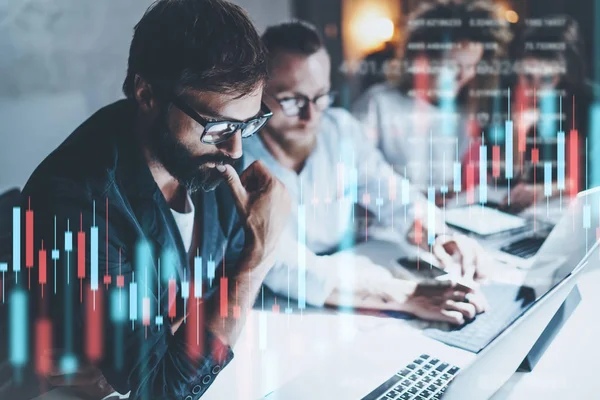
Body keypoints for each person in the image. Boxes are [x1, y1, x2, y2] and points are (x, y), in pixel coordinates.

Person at [0, 1, 290, 399]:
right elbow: (159, 389)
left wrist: (171, 337)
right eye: (220, 126)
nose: (237, 149)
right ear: (147, 93)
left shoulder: (207, 160)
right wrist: (257, 262)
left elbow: (210, 315)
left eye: (249, 123)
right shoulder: (78, 203)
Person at [243, 21, 490, 326]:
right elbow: (281, 264)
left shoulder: (340, 128)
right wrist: (405, 295)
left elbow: (392, 194)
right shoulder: (237, 156)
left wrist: (436, 235)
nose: (311, 115)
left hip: (350, 291)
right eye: (292, 100)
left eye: (320, 96)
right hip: (277, 309)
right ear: (257, 92)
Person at [352, 0, 511, 200]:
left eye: (471, 66)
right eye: (452, 66)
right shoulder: (377, 105)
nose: (462, 77)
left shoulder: (463, 113)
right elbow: (356, 179)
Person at [500, 15, 592, 212]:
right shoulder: (509, 97)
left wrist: (542, 191)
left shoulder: (586, 106)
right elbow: (511, 176)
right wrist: (518, 134)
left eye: (547, 79)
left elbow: (586, 179)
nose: (536, 91)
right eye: (528, 77)